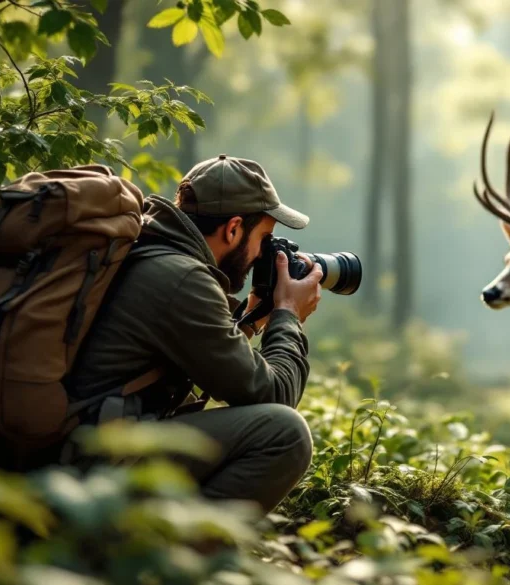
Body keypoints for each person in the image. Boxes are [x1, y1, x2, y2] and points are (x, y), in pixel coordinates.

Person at [60, 154, 323, 513]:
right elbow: (273, 393)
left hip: (63, 448)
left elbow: (209, 362)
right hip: (85, 470)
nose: (265, 252)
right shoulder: (182, 278)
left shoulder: (147, 250)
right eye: (264, 238)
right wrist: (288, 315)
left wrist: (251, 318)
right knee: (285, 435)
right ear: (233, 229)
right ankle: (168, 561)